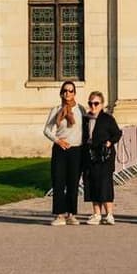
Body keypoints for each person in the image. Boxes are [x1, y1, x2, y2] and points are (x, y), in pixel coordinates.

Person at [42, 81, 85, 226]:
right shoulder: (56, 109)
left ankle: (71, 214)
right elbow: (47, 130)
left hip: (76, 150)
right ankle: (59, 214)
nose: (68, 93)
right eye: (65, 91)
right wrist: (57, 140)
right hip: (61, 149)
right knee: (59, 181)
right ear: (61, 93)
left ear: (74, 93)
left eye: (71, 91)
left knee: (73, 183)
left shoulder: (80, 110)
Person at [80, 91, 121, 225]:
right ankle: (96, 213)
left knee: (105, 184)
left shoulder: (107, 119)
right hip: (90, 155)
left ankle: (109, 214)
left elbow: (117, 133)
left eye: (96, 103)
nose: (93, 106)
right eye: (90, 103)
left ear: (102, 104)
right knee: (92, 183)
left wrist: (109, 142)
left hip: (104, 156)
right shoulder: (86, 119)